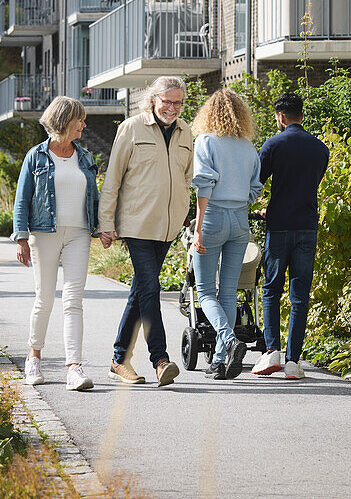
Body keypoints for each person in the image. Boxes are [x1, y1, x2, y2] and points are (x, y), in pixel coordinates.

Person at [99, 76, 193, 387]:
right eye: (166, 101)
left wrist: (184, 215)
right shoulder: (132, 128)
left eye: (177, 102)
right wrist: (107, 223)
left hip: (167, 227)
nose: (172, 108)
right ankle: (160, 359)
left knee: (140, 291)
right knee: (150, 288)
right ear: (153, 100)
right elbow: (112, 179)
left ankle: (118, 359)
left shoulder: (185, 132)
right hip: (137, 224)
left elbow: (187, 178)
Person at [12, 96, 100, 392]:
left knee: (73, 301)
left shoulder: (85, 157)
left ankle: (74, 368)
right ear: (64, 121)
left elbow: (94, 198)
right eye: (80, 120)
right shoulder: (35, 156)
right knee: (45, 299)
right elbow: (22, 199)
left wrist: (103, 229)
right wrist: (21, 236)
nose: (84, 125)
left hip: (78, 233)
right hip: (43, 233)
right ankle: (33, 357)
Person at [251, 92, 329, 380]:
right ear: (302, 116)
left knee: (271, 289)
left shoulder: (274, 144)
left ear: (280, 117)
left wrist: (262, 210)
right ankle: (293, 362)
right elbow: (310, 183)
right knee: (300, 295)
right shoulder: (319, 148)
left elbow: (256, 182)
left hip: (279, 225)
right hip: (307, 226)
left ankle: (272, 351)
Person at [190, 89, 262, 380]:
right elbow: (255, 189)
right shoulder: (248, 146)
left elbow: (204, 186)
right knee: (229, 291)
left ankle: (229, 341)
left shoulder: (206, 141)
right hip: (240, 220)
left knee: (205, 291)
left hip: (213, 218)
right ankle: (219, 361)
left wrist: (198, 227)